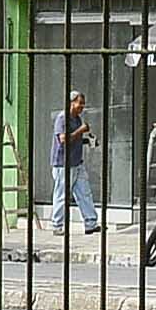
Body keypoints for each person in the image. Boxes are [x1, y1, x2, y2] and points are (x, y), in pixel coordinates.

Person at [48, 90, 101, 237]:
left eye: (83, 103)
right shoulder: (62, 118)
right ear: (72, 103)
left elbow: (75, 139)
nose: (82, 106)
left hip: (77, 163)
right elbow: (64, 139)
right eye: (80, 103)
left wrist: (88, 141)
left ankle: (91, 223)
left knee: (84, 193)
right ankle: (57, 225)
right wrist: (81, 130)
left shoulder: (77, 118)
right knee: (62, 194)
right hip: (63, 164)